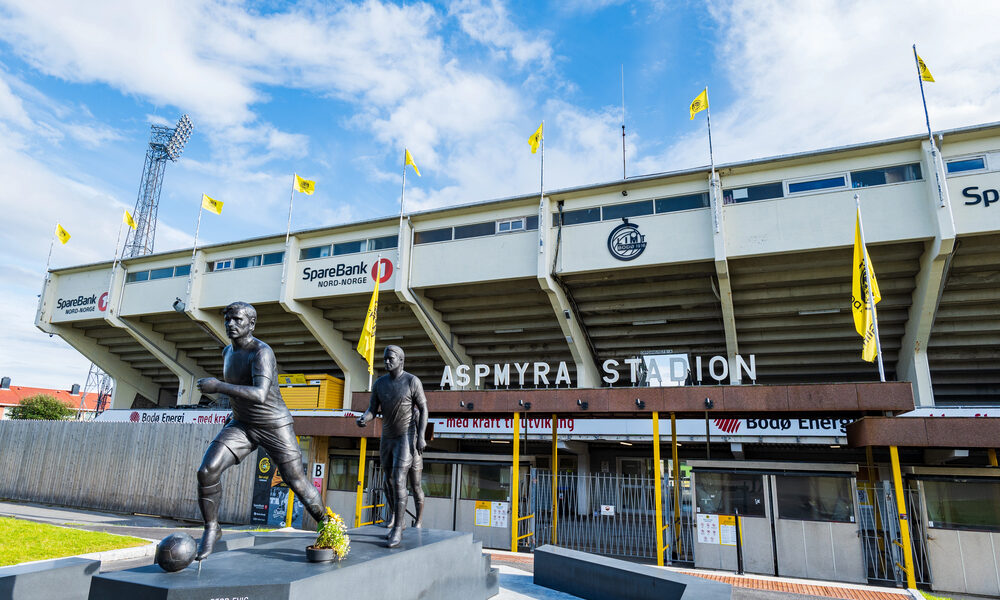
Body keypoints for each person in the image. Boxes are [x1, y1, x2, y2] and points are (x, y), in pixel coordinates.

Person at [195, 301, 327, 560]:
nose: (231, 324)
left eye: (238, 320)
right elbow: (239, 395)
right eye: (228, 320)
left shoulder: (261, 352)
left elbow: (259, 394)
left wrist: (218, 386)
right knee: (207, 470)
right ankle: (212, 528)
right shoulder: (227, 352)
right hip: (242, 425)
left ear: (251, 324)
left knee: (296, 481)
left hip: (274, 425)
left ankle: (329, 526)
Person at [356, 345, 428, 547]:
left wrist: (421, 436)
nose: (386, 361)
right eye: (385, 358)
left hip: (406, 436)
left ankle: (398, 527)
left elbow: (423, 408)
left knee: (399, 480)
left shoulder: (412, 381)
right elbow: (372, 410)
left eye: (391, 358)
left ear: (401, 360)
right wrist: (364, 418)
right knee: (388, 481)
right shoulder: (379, 384)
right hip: (387, 437)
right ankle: (398, 517)